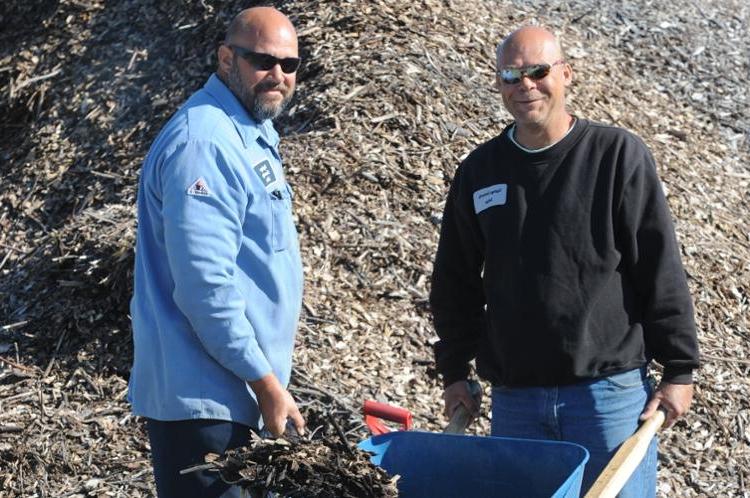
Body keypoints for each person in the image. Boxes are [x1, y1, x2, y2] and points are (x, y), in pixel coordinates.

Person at [429, 25, 699, 497]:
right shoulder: (480, 172)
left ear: (566, 74)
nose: (525, 85)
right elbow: (455, 282)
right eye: (511, 75)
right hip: (516, 403)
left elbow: (659, 266)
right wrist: (454, 370)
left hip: (607, 399)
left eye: (537, 71)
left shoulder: (616, 156)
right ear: (498, 83)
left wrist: (679, 370)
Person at [128, 7, 305, 497]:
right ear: (227, 57)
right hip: (206, 405)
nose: (278, 75)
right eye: (263, 61)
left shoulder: (247, 130)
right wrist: (265, 383)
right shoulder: (204, 144)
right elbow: (206, 288)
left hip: (237, 397)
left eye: (289, 65)